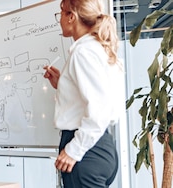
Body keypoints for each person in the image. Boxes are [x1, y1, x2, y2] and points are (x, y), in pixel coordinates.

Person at [44, 0, 123, 187]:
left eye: (61, 13)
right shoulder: (98, 49)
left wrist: (74, 150)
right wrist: (62, 84)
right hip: (99, 146)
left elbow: (100, 110)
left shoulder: (83, 52)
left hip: (86, 150)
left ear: (72, 17)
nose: (60, 19)